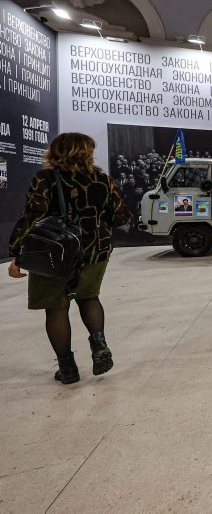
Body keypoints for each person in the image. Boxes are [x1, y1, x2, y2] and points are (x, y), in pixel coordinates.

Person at [7, 132, 132, 385]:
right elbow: (121, 217)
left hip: (54, 254)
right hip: (95, 252)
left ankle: (68, 369)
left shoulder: (46, 178)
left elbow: (31, 215)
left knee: (56, 308)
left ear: (56, 151)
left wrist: (17, 252)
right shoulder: (103, 179)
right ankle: (99, 346)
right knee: (89, 298)